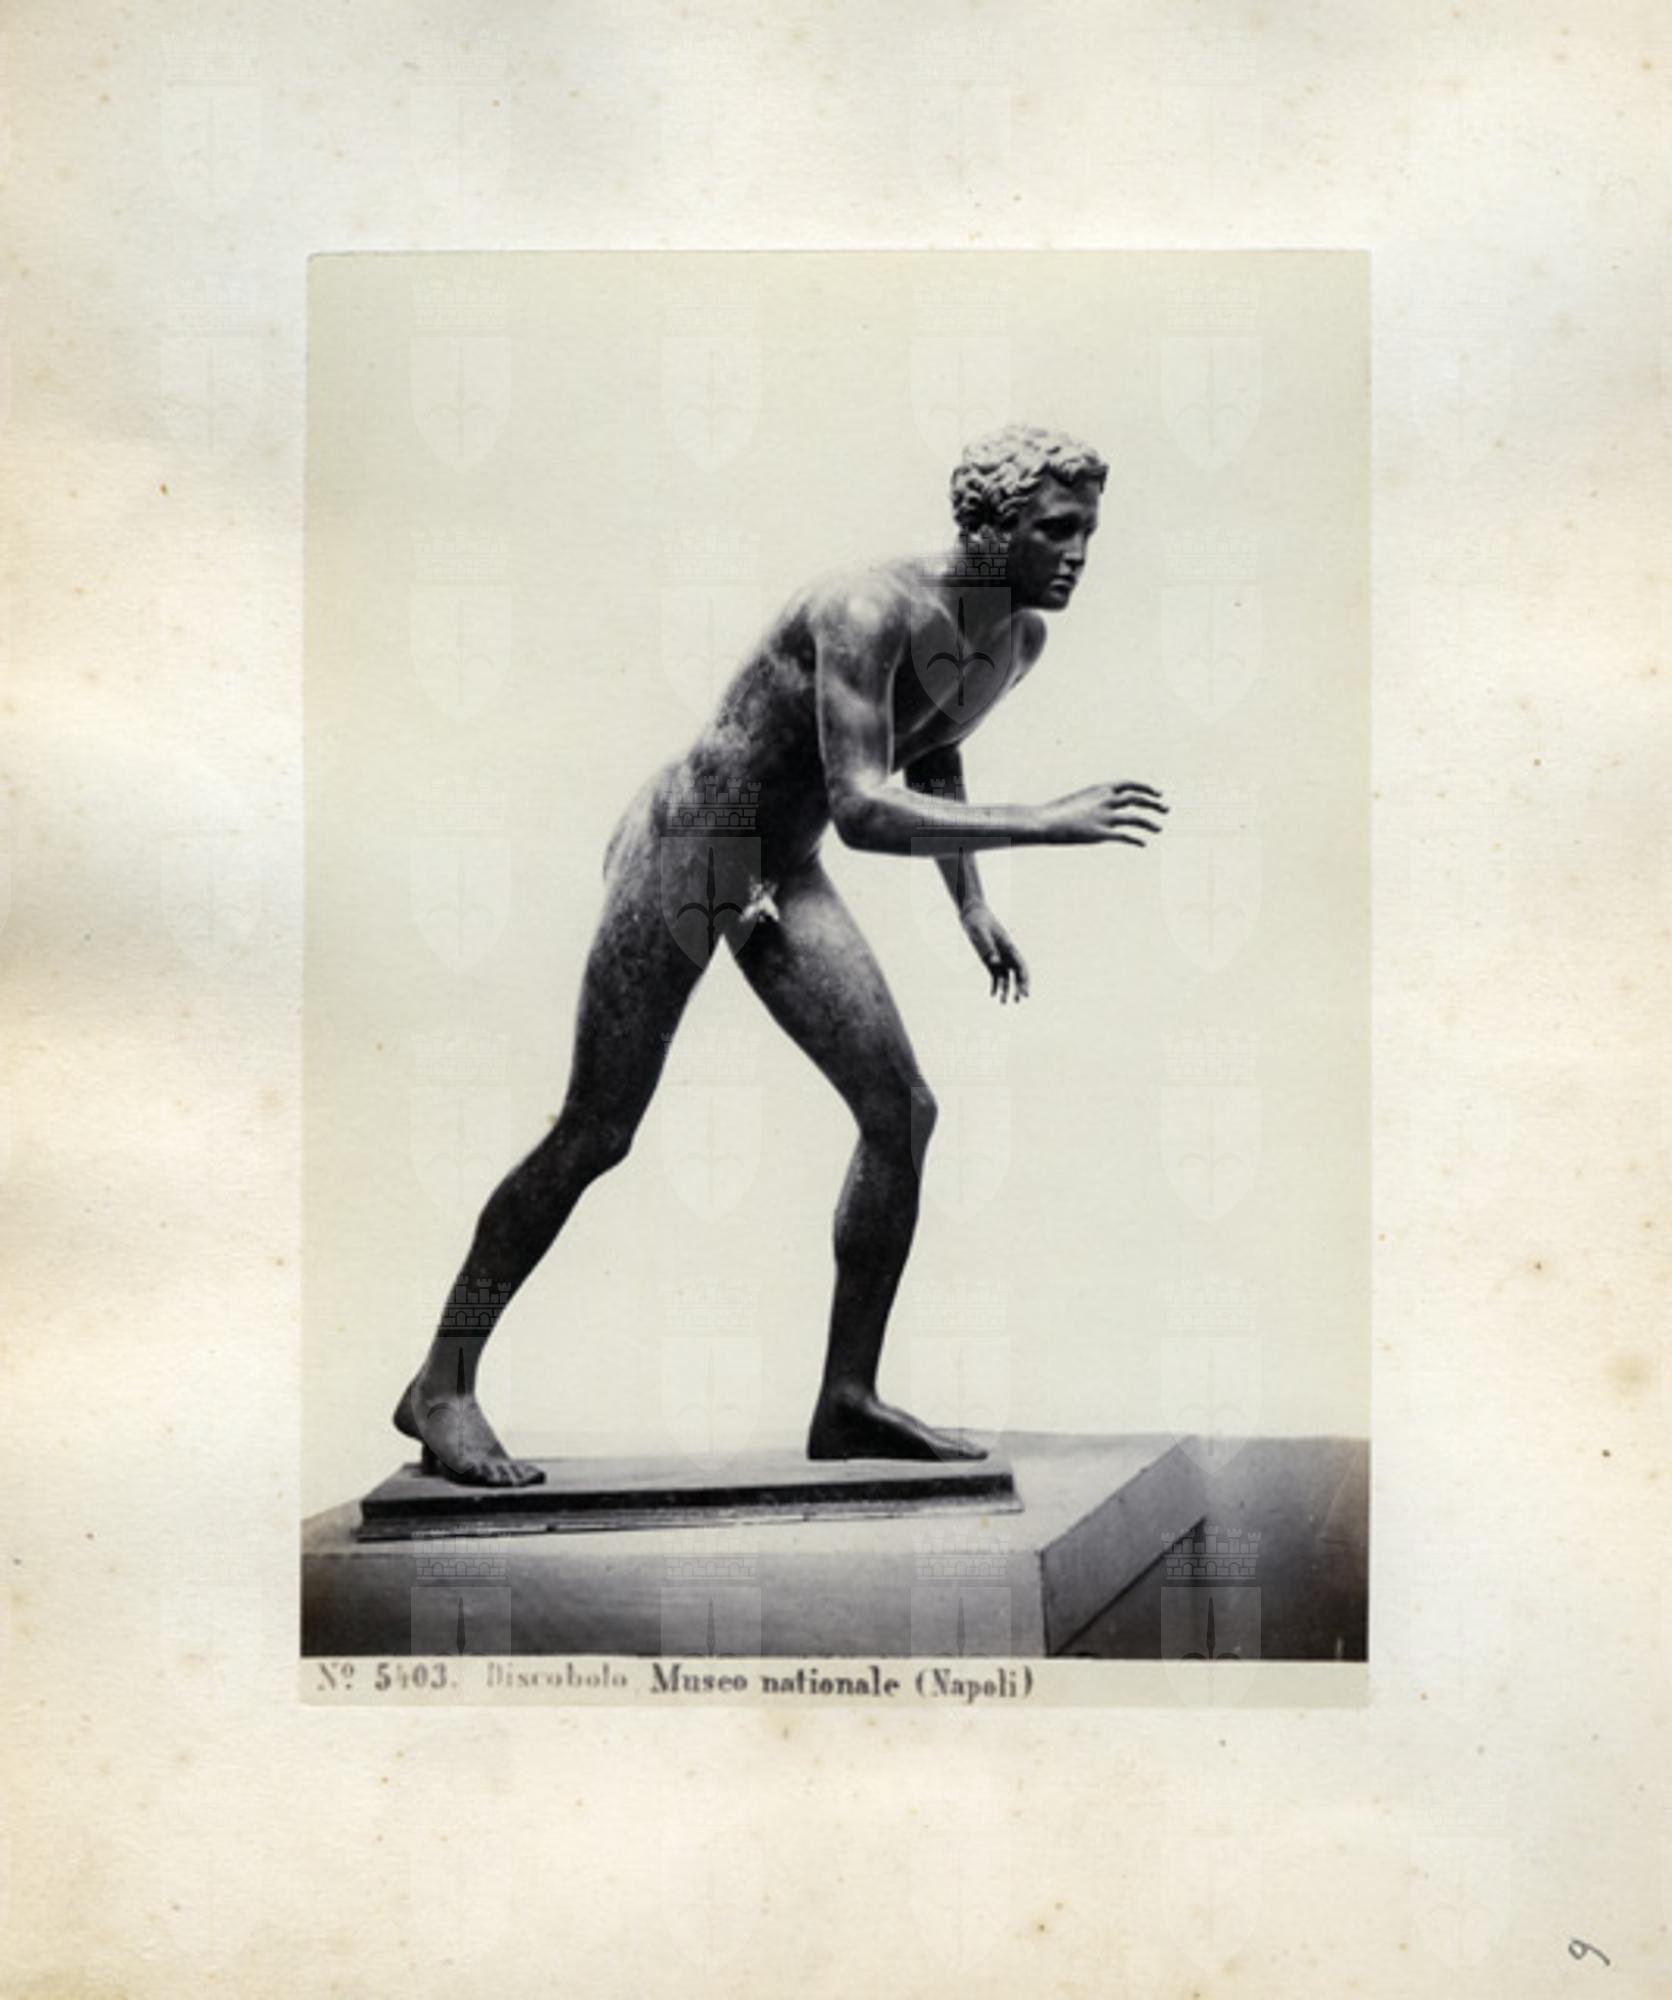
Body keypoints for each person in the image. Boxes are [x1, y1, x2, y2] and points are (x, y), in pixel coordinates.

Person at [394, 423, 1167, 1485]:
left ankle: (847, 1400)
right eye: (1056, 529)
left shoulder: (1017, 639)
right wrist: (1042, 821)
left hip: (778, 865)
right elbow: (860, 808)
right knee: (597, 1129)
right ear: (992, 527)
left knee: (900, 1112)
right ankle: (440, 1384)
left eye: (1088, 532)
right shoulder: (866, 607)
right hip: (693, 844)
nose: (1078, 554)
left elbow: (933, 743)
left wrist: (971, 904)